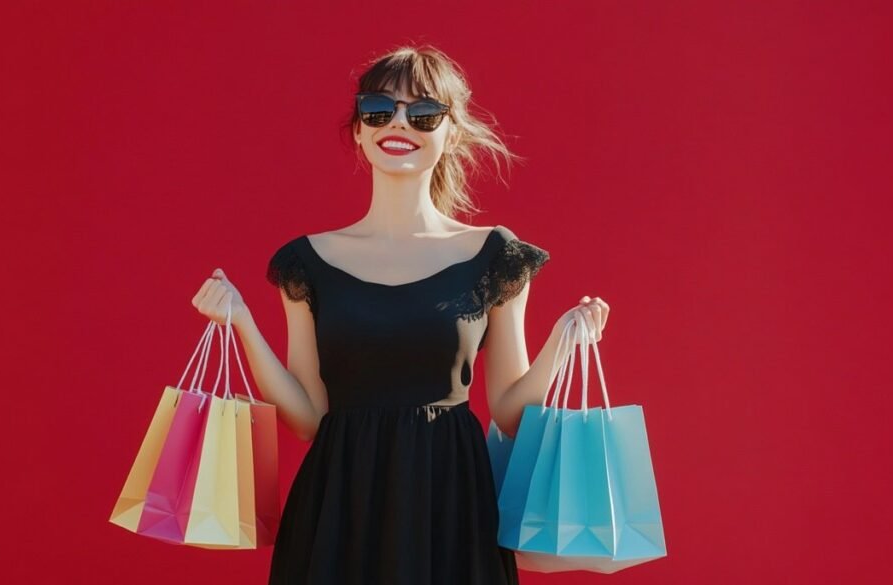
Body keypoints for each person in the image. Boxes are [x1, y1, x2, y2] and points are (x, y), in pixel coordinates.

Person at [192, 45, 609, 585]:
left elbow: (508, 411)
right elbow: (307, 418)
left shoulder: (495, 255)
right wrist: (243, 323)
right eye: (378, 110)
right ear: (360, 132)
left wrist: (562, 341)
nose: (398, 124)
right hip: (339, 505)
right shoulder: (306, 262)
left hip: (451, 503)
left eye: (423, 113)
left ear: (450, 133)